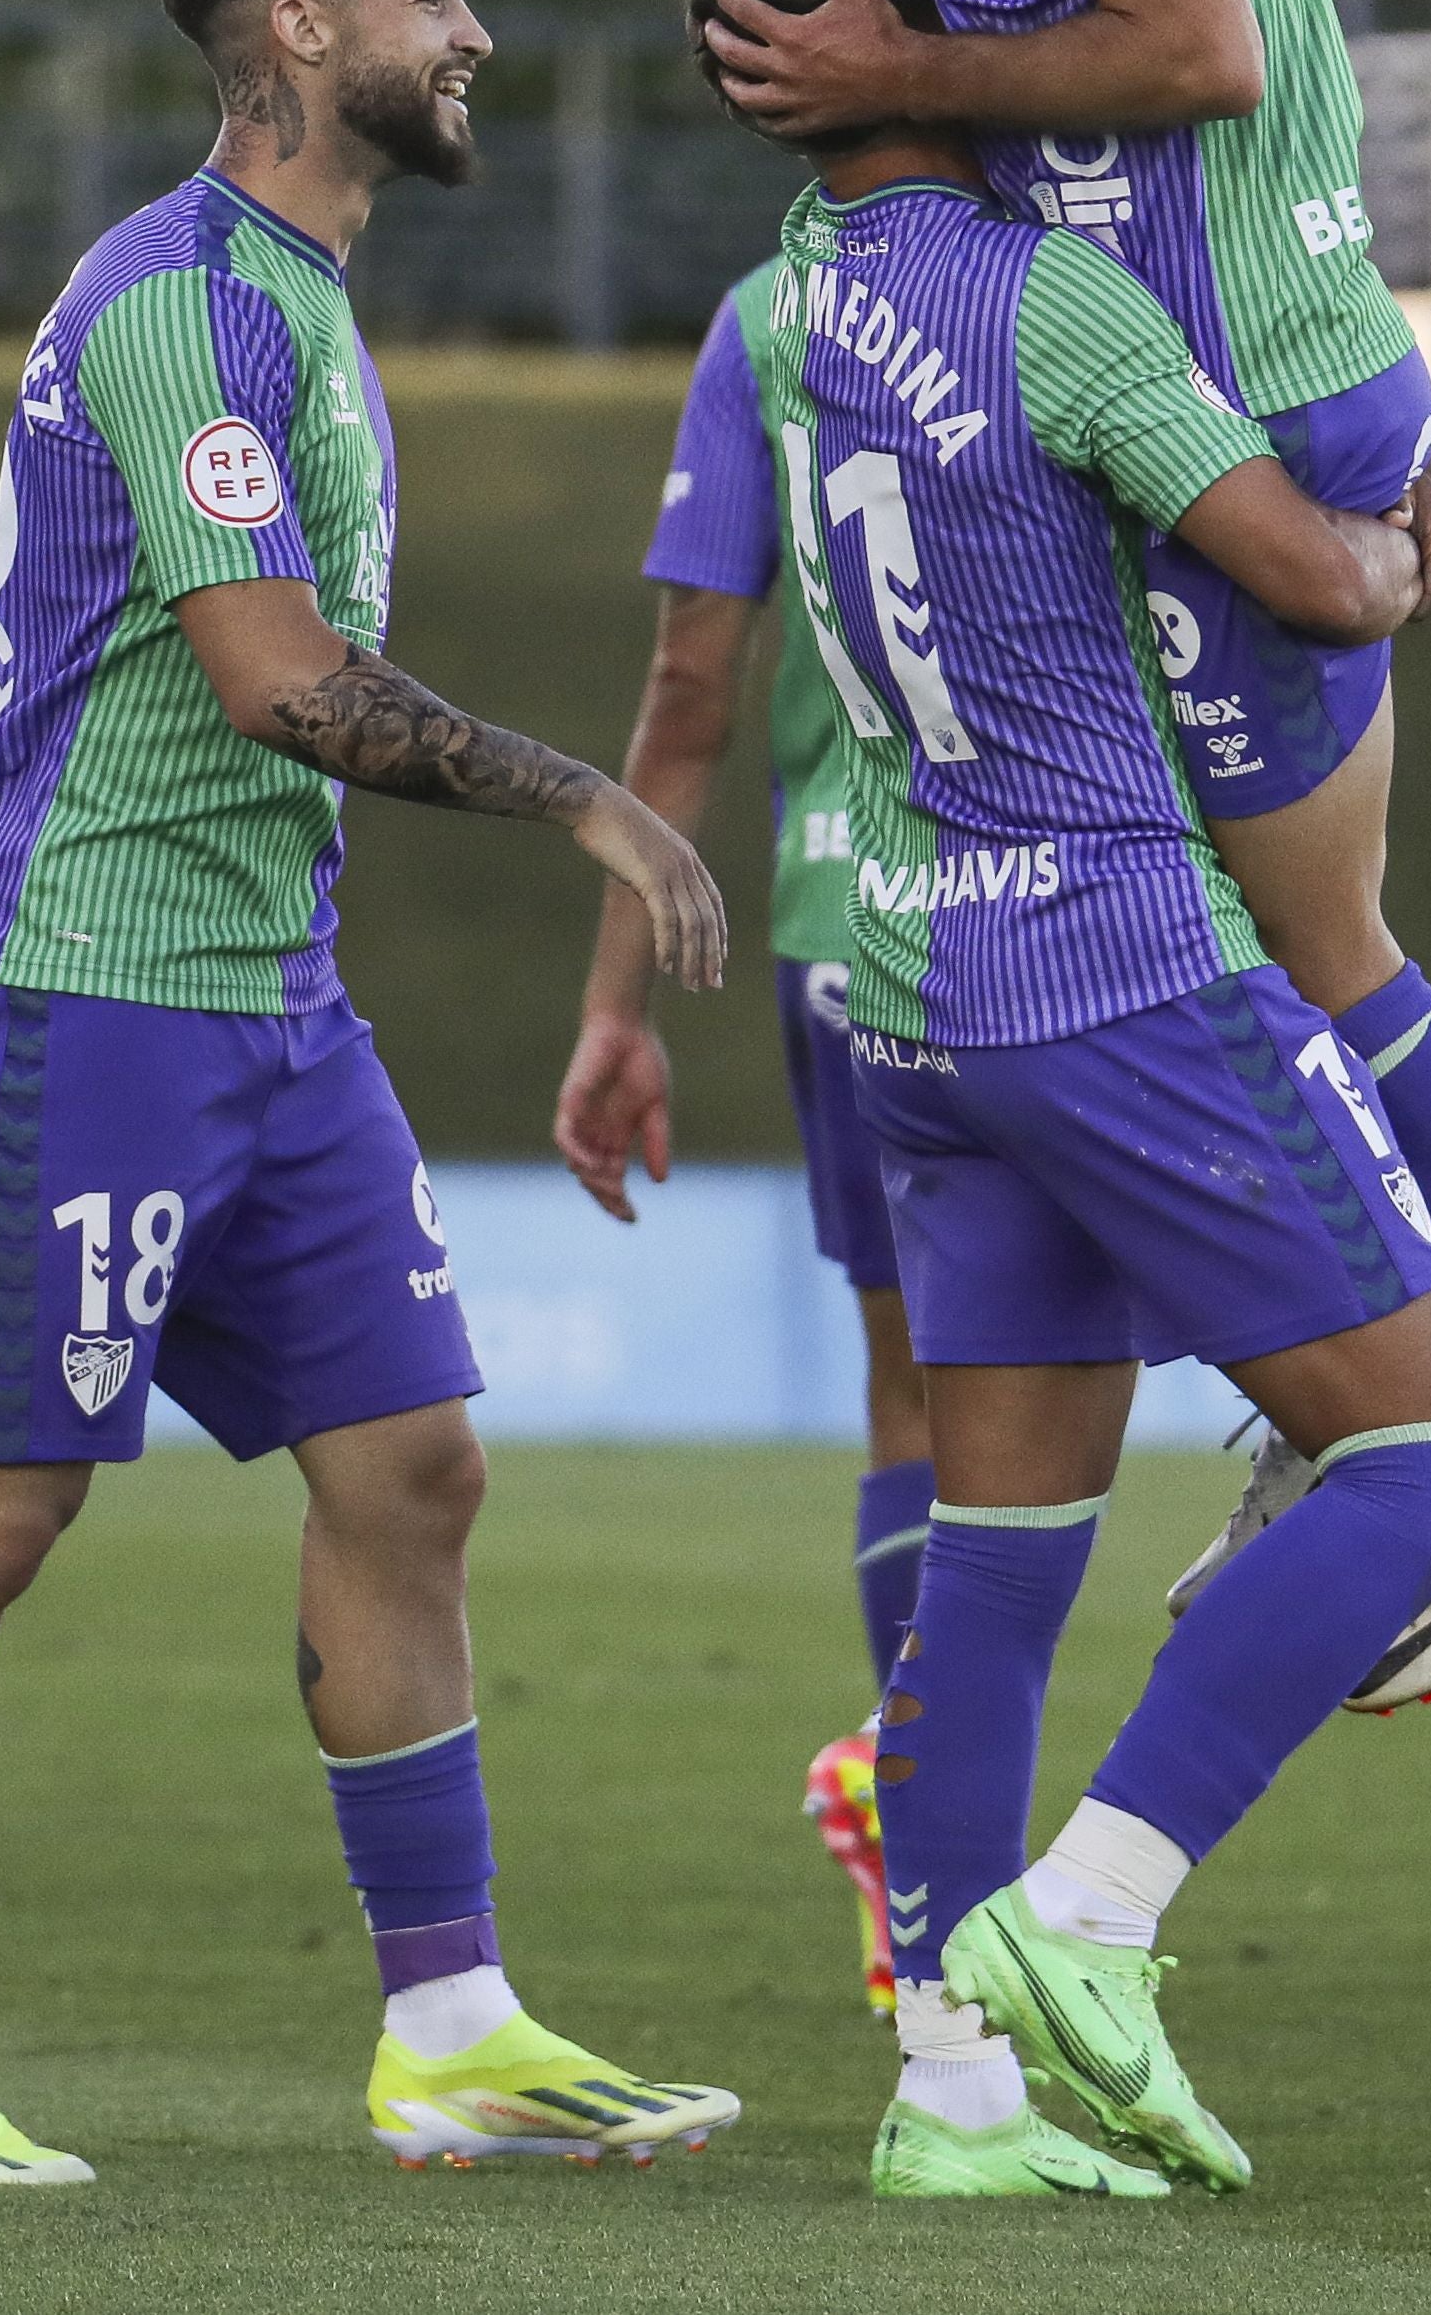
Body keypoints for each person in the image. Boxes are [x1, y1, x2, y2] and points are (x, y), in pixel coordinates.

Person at [600, 0, 1431, 1698]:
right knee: (1261, 953)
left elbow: (1205, 52)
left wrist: (901, 79)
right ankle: (1411, 1418)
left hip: (1242, 409)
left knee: (1317, 957)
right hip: (1257, 381)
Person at [0, 0, 741, 2191]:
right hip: (92, 983)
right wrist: (588, 807)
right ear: (303, 33)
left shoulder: (297, 301)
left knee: (416, 1468)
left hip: (267, 999)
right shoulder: (182, 304)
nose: (475, 36)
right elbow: (272, 679)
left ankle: (452, 2033)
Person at [683, 0, 1431, 2201]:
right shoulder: (1053, 304)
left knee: (999, 1554)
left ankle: (947, 2091)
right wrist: (1403, 560)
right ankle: (1093, 1910)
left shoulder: (788, 309)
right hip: (1122, 971)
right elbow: (1299, 568)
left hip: (918, 989)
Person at [551, 246, 929, 2015]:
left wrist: (616, 1005)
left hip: (848, 929)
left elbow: (688, 697)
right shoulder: (1081, 261)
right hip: (1087, 927)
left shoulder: (763, 313)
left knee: (927, 1397)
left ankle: (922, 1807)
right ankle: (973, 1832)